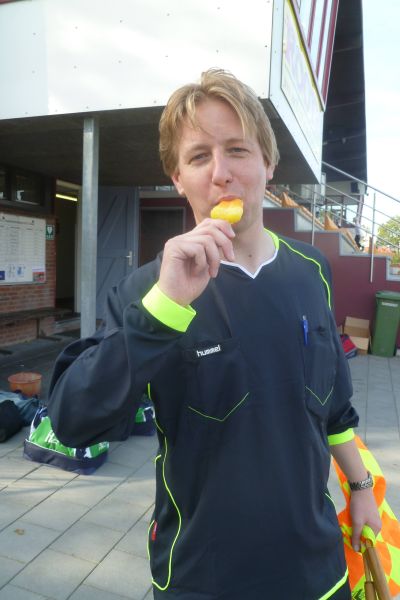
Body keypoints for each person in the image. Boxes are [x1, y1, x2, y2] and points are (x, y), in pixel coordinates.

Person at [47, 69, 381, 600]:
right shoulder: (148, 289)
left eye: (237, 150)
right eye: (200, 156)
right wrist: (165, 307)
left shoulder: (311, 270)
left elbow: (334, 405)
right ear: (178, 178)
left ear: (268, 164)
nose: (222, 173)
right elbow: (73, 423)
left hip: (318, 571)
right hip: (204, 576)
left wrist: (360, 488)